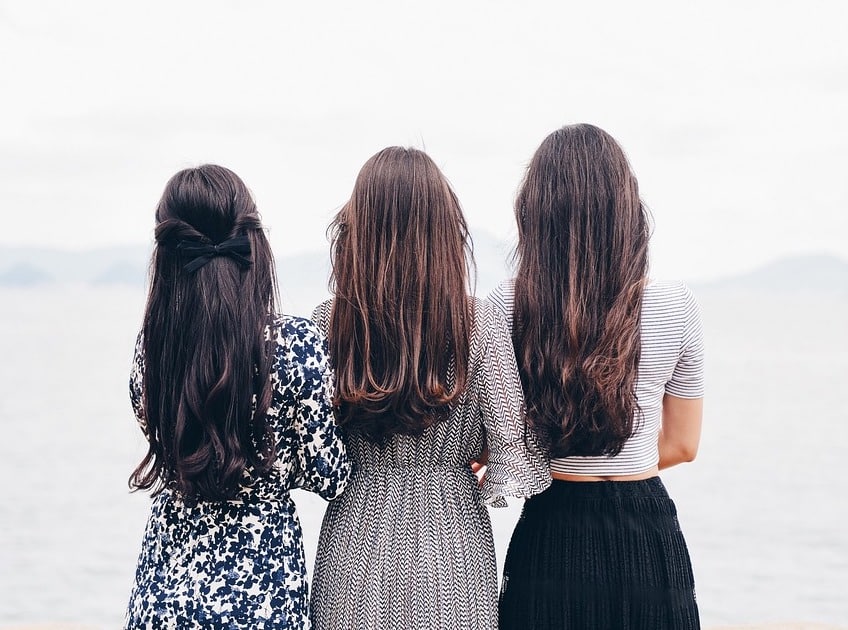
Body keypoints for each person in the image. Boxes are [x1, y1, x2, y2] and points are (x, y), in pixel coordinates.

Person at [308, 147, 551, 629]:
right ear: (445, 231)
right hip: (455, 554)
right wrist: (458, 464)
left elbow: (315, 456)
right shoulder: (479, 322)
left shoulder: (328, 326)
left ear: (356, 232)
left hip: (353, 546)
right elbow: (512, 455)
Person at [491, 124, 704, 629]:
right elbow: (682, 445)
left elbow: (506, 441)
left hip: (551, 530)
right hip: (647, 532)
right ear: (628, 211)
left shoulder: (507, 306)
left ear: (535, 214)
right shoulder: (676, 307)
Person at [124, 164, 350, 628]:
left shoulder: (153, 352)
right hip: (263, 589)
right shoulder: (296, 345)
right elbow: (331, 476)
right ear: (254, 245)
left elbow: (174, 446)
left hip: (164, 588)